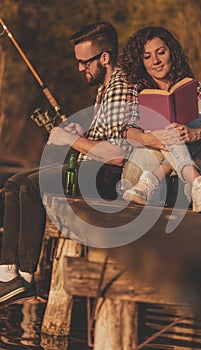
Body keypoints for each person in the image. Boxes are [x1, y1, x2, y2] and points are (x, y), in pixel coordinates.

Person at [0, 21, 131, 305]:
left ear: (104, 58)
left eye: (84, 62)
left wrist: (70, 141)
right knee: (13, 183)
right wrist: (79, 135)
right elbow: (104, 139)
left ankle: (25, 277)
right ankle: (7, 274)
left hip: (108, 178)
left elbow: (118, 155)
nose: (80, 68)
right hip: (92, 169)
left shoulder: (120, 87)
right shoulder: (104, 89)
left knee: (32, 187)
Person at [120, 26, 201, 211]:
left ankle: (154, 177)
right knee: (168, 128)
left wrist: (195, 133)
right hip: (138, 173)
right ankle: (199, 183)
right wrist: (151, 138)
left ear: (172, 52)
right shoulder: (136, 90)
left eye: (160, 52)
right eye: (147, 57)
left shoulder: (195, 87)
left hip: (177, 186)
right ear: (141, 62)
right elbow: (126, 130)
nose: (155, 61)